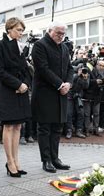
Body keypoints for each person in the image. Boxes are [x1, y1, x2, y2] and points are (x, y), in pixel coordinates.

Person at [0, 17, 32, 177]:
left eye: (22, 30)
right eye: (18, 30)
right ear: (9, 29)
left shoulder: (19, 46)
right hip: (7, 90)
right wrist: (17, 85)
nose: (21, 33)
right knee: (8, 126)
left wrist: (26, 84)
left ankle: (16, 161)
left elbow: (26, 69)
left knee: (18, 126)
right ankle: (9, 162)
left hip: (20, 90)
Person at [31, 21, 73, 173]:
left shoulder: (64, 47)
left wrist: (68, 83)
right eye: (58, 33)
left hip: (61, 93)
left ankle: (55, 158)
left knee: (57, 128)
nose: (61, 36)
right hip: (45, 93)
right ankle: (46, 160)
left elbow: (70, 68)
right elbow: (43, 69)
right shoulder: (40, 45)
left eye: (63, 34)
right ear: (50, 31)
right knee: (45, 128)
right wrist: (60, 85)